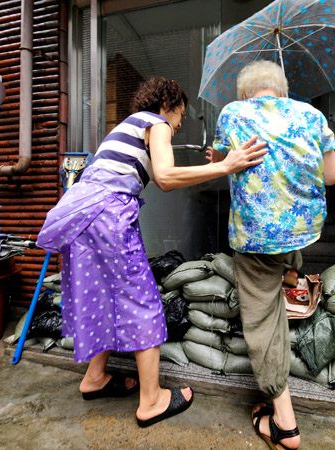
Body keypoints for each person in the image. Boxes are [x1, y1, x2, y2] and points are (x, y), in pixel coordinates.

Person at [36, 77, 267, 427]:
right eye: (180, 117)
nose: (177, 126)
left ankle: (95, 377)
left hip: (80, 215)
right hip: (107, 214)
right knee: (143, 301)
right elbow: (165, 177)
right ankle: (151, 400)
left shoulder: (125, 128)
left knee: (104, 298)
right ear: (168, 105)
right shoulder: (155, 122)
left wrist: (212, 162)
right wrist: (225, 166)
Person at [207, 60, 335, 450]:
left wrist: (219, 157)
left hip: (255, 236)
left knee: (261, 317)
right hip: (302, 230)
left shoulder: (233, 113)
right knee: (286, 254)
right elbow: (331, 176)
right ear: (281, 90)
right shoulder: (311, 114)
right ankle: (291, 274)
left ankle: (284, 422)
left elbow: (218, 163)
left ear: (246, 93)